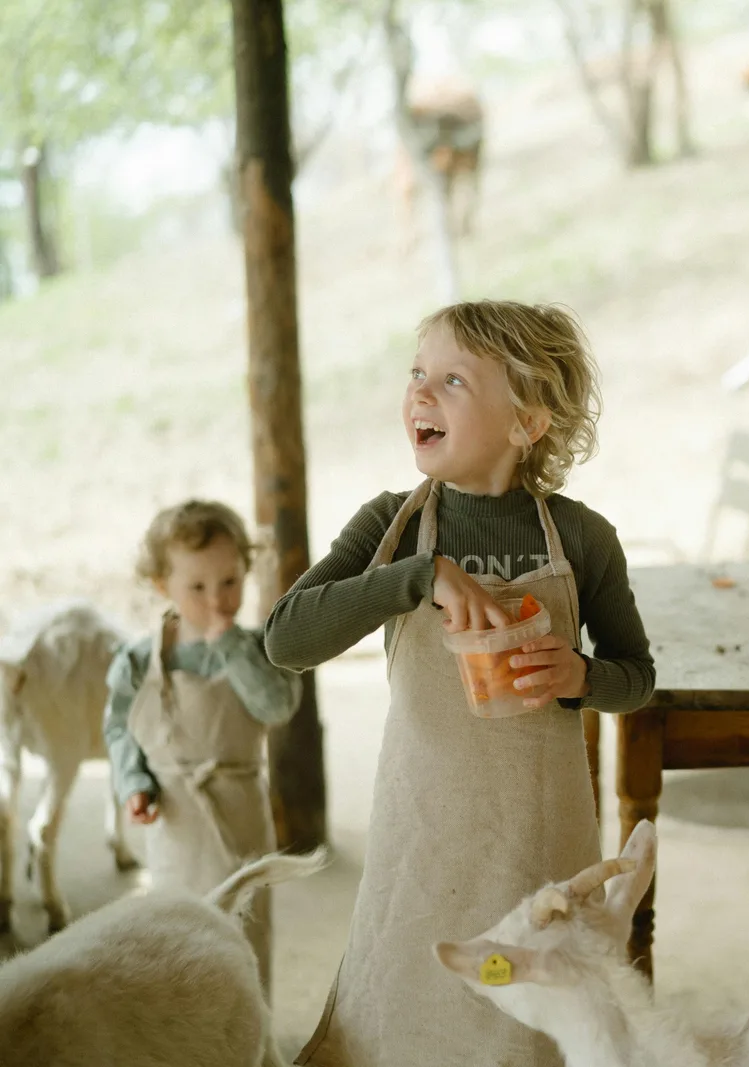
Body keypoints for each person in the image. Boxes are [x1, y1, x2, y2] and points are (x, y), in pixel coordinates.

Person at [265, 300, 654, 1066]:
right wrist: (417, 577)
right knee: (410, 1001)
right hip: (423, 832)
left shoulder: (581, 538)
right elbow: (286, 638)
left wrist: (579, 675)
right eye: (417, 374)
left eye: (451, 380)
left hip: (538, 836)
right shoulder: (394, 526)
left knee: (531, 1013)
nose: (420, 393)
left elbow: (635, 678)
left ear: (526, 424)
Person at [103, 499, 301, 994]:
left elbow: (277, 706)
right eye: (196, 587)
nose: (216, 600)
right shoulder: (138, 660)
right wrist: (134, 781)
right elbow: (120, 728)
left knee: (246, 930)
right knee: (179, 935)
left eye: (229, 582)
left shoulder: (260, 648)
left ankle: (254, 1032)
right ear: (161, 586)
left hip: (241, 813)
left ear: (245, 573)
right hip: (175, 819)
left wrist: (231, 643)